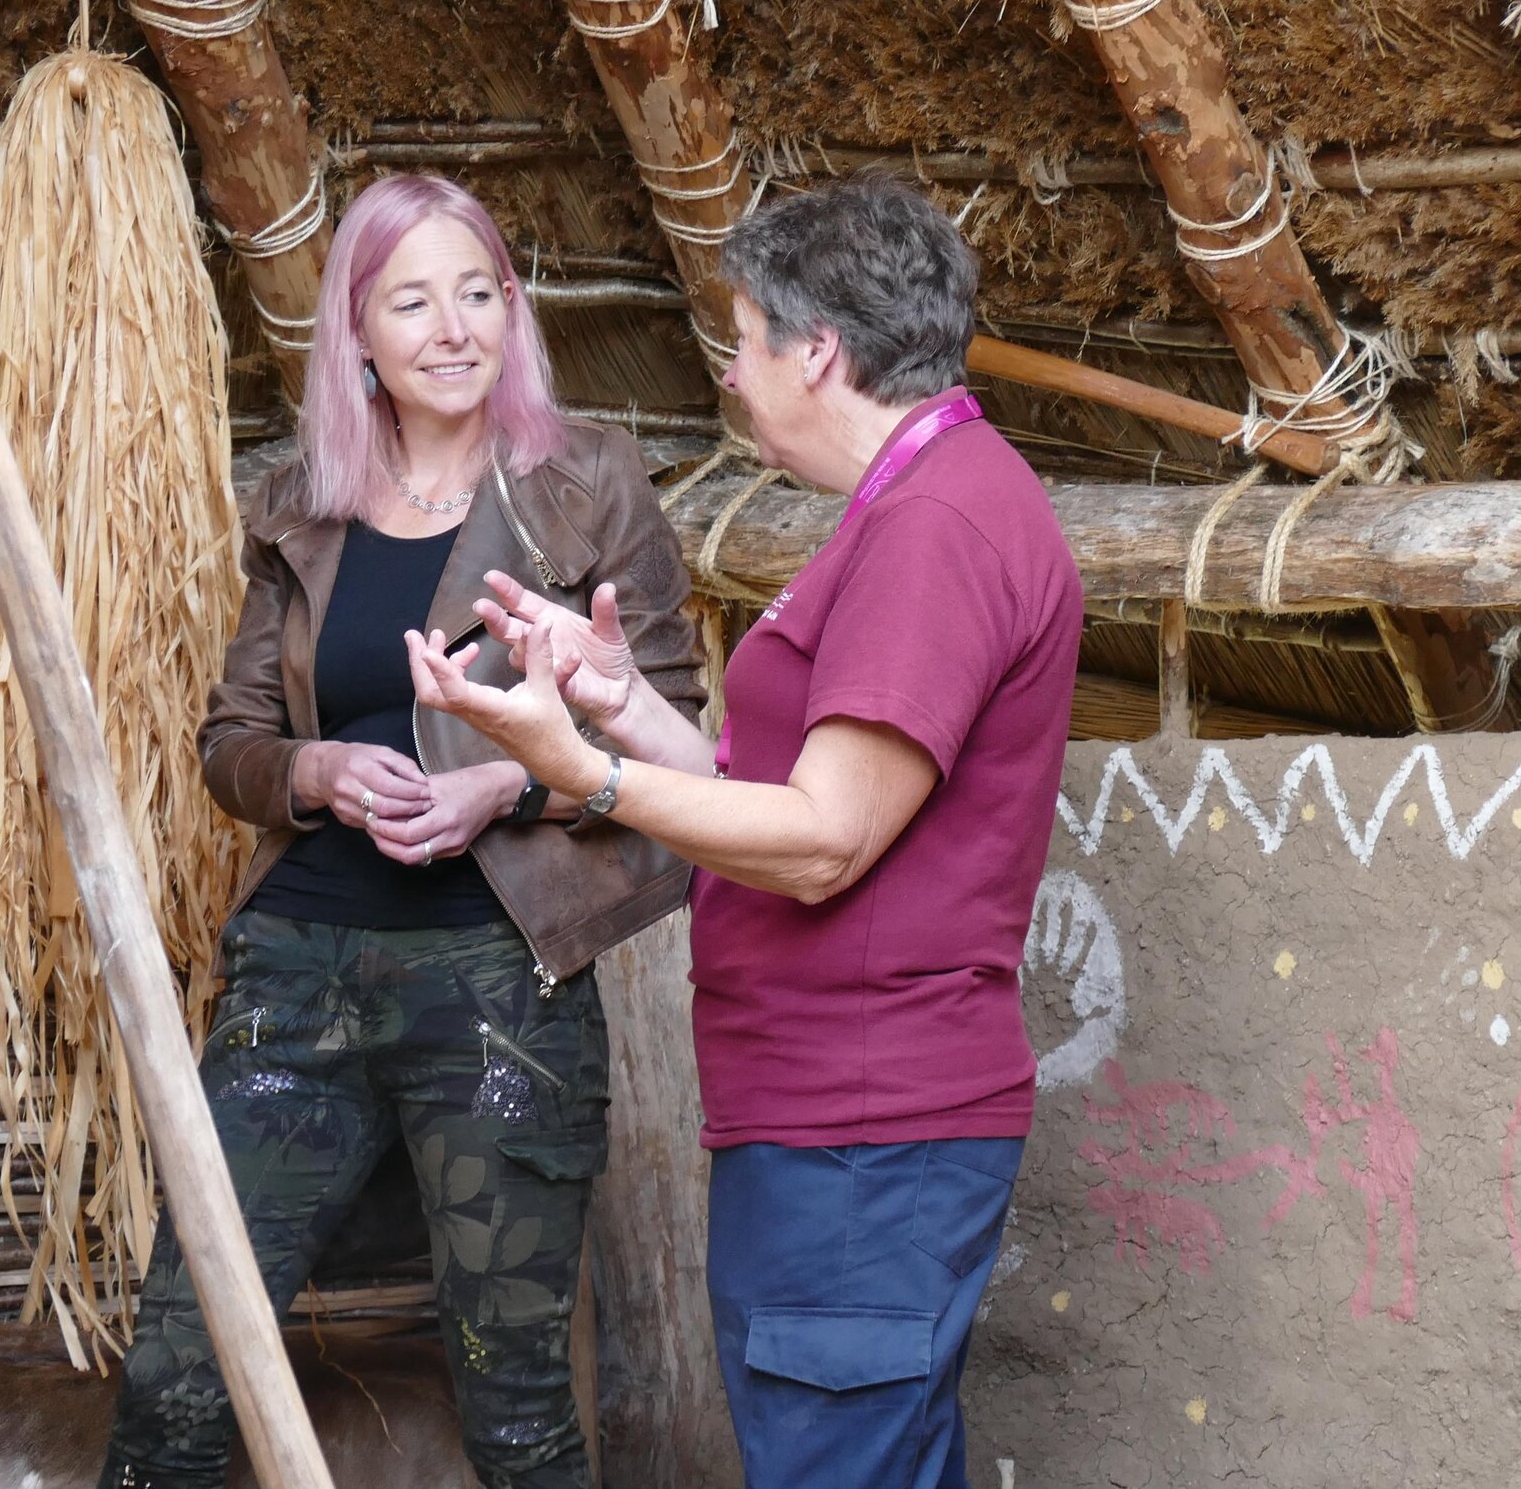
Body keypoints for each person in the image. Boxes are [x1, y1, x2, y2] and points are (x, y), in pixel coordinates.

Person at [407, 178, 1083, 1489]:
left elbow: (825, 842)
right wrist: (617, 711)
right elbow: (784, 789)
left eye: (741, 344)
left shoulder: (936, 525)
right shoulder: (917, 503)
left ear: (815, 350)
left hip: (859, 1130)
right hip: (851, 1124)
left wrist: (577, 778)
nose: (734, 377)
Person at [99, 174, 702, 1489]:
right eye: (412, 300)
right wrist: (313, 769)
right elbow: (229, 749)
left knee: (518, 1403)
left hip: (502, 984)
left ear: (514, 314)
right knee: (181, 1371)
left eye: (478, 293)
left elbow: (675, 741)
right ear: (356, 334)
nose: (451, 327)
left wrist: (508, 785)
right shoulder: (303, 501)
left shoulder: (588, 482)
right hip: (297, 973)